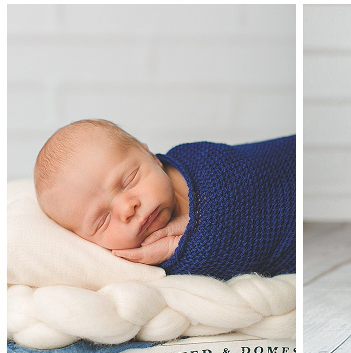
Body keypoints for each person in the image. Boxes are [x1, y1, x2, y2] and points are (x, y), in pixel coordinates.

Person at [33, 119, 295, 280]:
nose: (127, 207)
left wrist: (193, 236)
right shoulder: (144, 265)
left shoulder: (204, 163)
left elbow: (249, 188)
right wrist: (175, 256)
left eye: (129, 180)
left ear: (151, 156)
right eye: (102, 220)